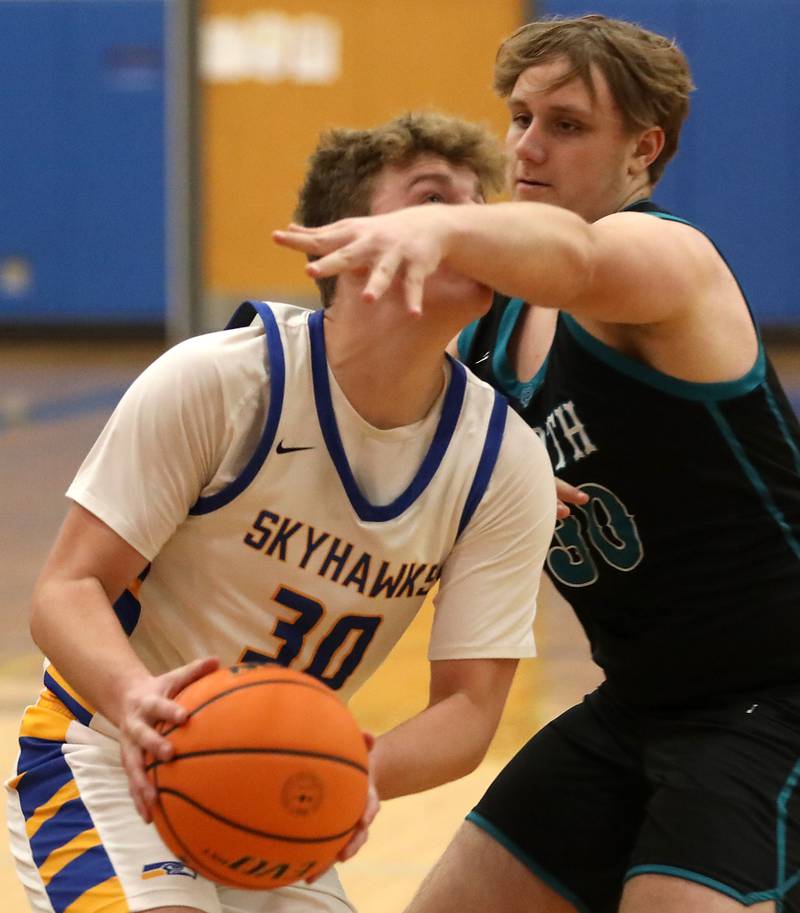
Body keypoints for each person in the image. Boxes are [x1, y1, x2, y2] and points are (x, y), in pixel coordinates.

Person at [272, 14, 800, 913]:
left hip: (776, 704)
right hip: (637, 704)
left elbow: (579, 256)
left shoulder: (668, 260)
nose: (527, 146)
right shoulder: (492, 326)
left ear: (645, 146)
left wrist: (437, 228)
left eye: (566, 125)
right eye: (519, 118)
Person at [4, 112, 558, 913]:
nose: (460, 228)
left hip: (277, 785)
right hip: (103, 753)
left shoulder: (504, 459)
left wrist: (347, 772)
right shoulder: (221, 383)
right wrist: (134, 701)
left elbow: (470, 708)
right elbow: (65, 589)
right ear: (341, 241)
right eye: (434, 201)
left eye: (476, 208)